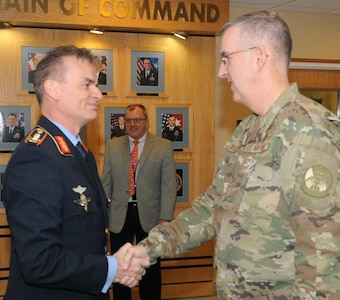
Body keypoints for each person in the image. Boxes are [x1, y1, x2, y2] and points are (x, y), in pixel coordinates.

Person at [123, 11, 340, 299]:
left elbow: (322, 269)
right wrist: (147, 249)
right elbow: (213, 208)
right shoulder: (248, 129)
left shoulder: (310, 134)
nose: (221, 72)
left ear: (259, 57)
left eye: (226, 58)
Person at [3, 45, 149, 300]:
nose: (99, 94)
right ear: (53, 89)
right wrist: (112, 268)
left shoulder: (79, 152)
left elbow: (83, 240)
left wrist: (111, 267)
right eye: (87, 84)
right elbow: (40, 261)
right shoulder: (35, 157)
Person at [101, 104, 177, 300]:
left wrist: (164, 218)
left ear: (146, 122)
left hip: (151, 218)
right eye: (128, 120)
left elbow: (168, 186)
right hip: (119, 215)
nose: (132, 124)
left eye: (137, 120)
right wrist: (102, 216)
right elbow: (106, 183)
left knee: (150, 267)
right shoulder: (113, 145)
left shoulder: (162, 146)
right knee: (121, 265)